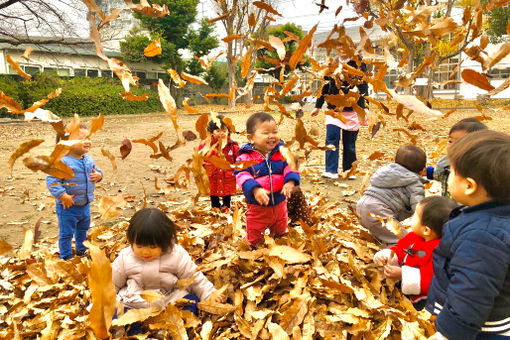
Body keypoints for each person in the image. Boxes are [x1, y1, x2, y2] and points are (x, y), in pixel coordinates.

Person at [425, 130, 510, 340]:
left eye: (452, 171)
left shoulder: (481, 236)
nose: (449, 175)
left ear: (469, 185)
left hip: (480, 330)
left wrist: (447, 334)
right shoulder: (497, 217)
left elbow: (471, 294)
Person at [112, 208, 224, 316]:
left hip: (169, 299)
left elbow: (193, 278)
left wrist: (209, 294)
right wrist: (106, 300)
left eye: (153, 246)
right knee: (116, 312)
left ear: (164, 242)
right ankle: (134, 330)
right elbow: (112, 282)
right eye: (139, 246)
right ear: (131, 241)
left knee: (191, 302)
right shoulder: (125, 257)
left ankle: (177, 325)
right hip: (135, 302)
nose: (145, 252)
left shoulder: (176, 255)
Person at [374, 196, 457, 310]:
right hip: (402, 288)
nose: (411, 218)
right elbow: (399, 249)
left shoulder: (440, 252)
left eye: (415, 216)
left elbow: (431, 280)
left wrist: (403, 274)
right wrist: (388, 256)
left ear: (426, 230)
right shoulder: (414, 237)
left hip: (423, 299)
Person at [235, 112, 300, 247]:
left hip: (280, 204)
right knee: (254, 233)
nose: (271, 136)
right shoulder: (245, 158)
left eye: (275, 131)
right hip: (258, 207)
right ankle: (254, 251)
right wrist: (255, 189)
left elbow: (291, 165)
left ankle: (279, 247)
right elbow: (241, 175)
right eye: (265, 133)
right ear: (251, 138)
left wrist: (290, 181)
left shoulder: (282, 152)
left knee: (280, 231)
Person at [46, 124, 102, 260]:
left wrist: (99, 176)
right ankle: (66, 256)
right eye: (82, 139)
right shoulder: (61, 161)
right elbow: (52, 181)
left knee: (83, 228)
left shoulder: (88, 160)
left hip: (85, 204)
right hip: (67, 207)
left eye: (88, 138)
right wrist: (62, 195)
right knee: (66, 233)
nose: (87, 141)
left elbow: (96, 171)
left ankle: (81, 249)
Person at [356, 145, 427, 245]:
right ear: (421, 170)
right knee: (403, 242)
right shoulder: (415, 183)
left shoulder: (384, 172)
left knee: (383, 234)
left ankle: (380, 247)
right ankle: (392, 258)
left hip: (360, 207)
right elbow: (419, 207)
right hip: (379, 211)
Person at [311, 56, 369, 179]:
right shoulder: (332, 63)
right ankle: (331, 170)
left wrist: (365, 108)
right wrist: (318, 106)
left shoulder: (359, 63)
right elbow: (325, 86)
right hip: (334, 110)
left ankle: (349, 171)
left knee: (350, 143)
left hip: (352, 110)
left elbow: (364, 87)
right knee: (332, 138)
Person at [426, 118, 487, 197]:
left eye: (460, 142)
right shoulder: (447, 161)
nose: (452, 146)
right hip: (448, 204)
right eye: (450, 141)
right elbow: (442, 175)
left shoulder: (477, 169)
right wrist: (429, 172)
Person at [198, 115, 239, 212]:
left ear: (228, 131)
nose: (221, 134)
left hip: (227, 175)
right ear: (212, 132)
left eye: (224, 131)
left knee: (227, 192)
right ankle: (215, 206)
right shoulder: (206, 145)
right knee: (213, 191)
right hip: (212, 174)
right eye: (218, 131)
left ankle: (226, 206)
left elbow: (238, 159)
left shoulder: (233, 146)